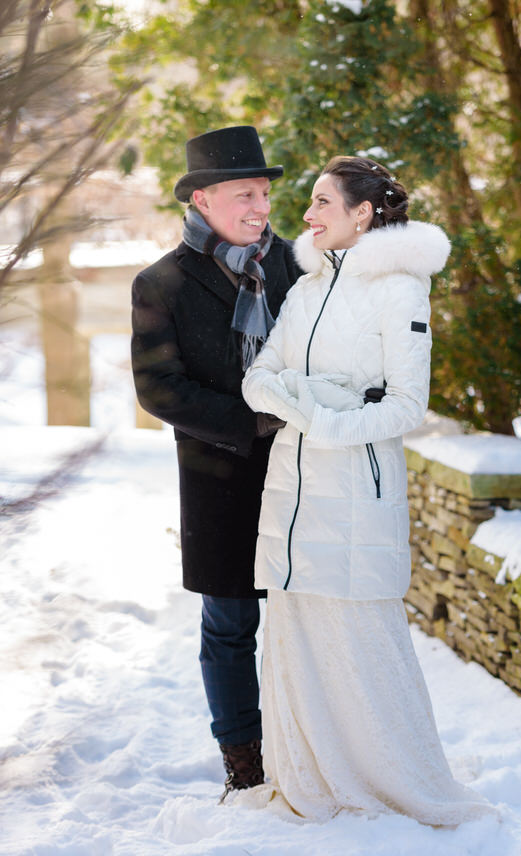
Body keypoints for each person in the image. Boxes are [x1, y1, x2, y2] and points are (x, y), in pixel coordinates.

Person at [239, 156, 495, 825]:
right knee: (296, 634)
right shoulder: (305, 287)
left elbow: (407, 405)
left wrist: (324, 420)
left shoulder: (399, 290)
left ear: (363, 213)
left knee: (359, 639)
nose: (309, 214)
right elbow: (261, 372)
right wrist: (285, 395)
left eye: (323, 202)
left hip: (355, 490)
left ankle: (392, 778)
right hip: (293, 494)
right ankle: (311, 777)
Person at [131, 125, 301, 799]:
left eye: (263, 191)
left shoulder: (301, 265)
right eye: (243, 193)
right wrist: (251, 419)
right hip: (217, 475)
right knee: (230, 625)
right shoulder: (160, 282)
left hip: (301, 472)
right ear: (202, 199)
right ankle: (244, 761)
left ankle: (305, 746)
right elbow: (158, 388)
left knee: (303, 619)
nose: (259, 205)